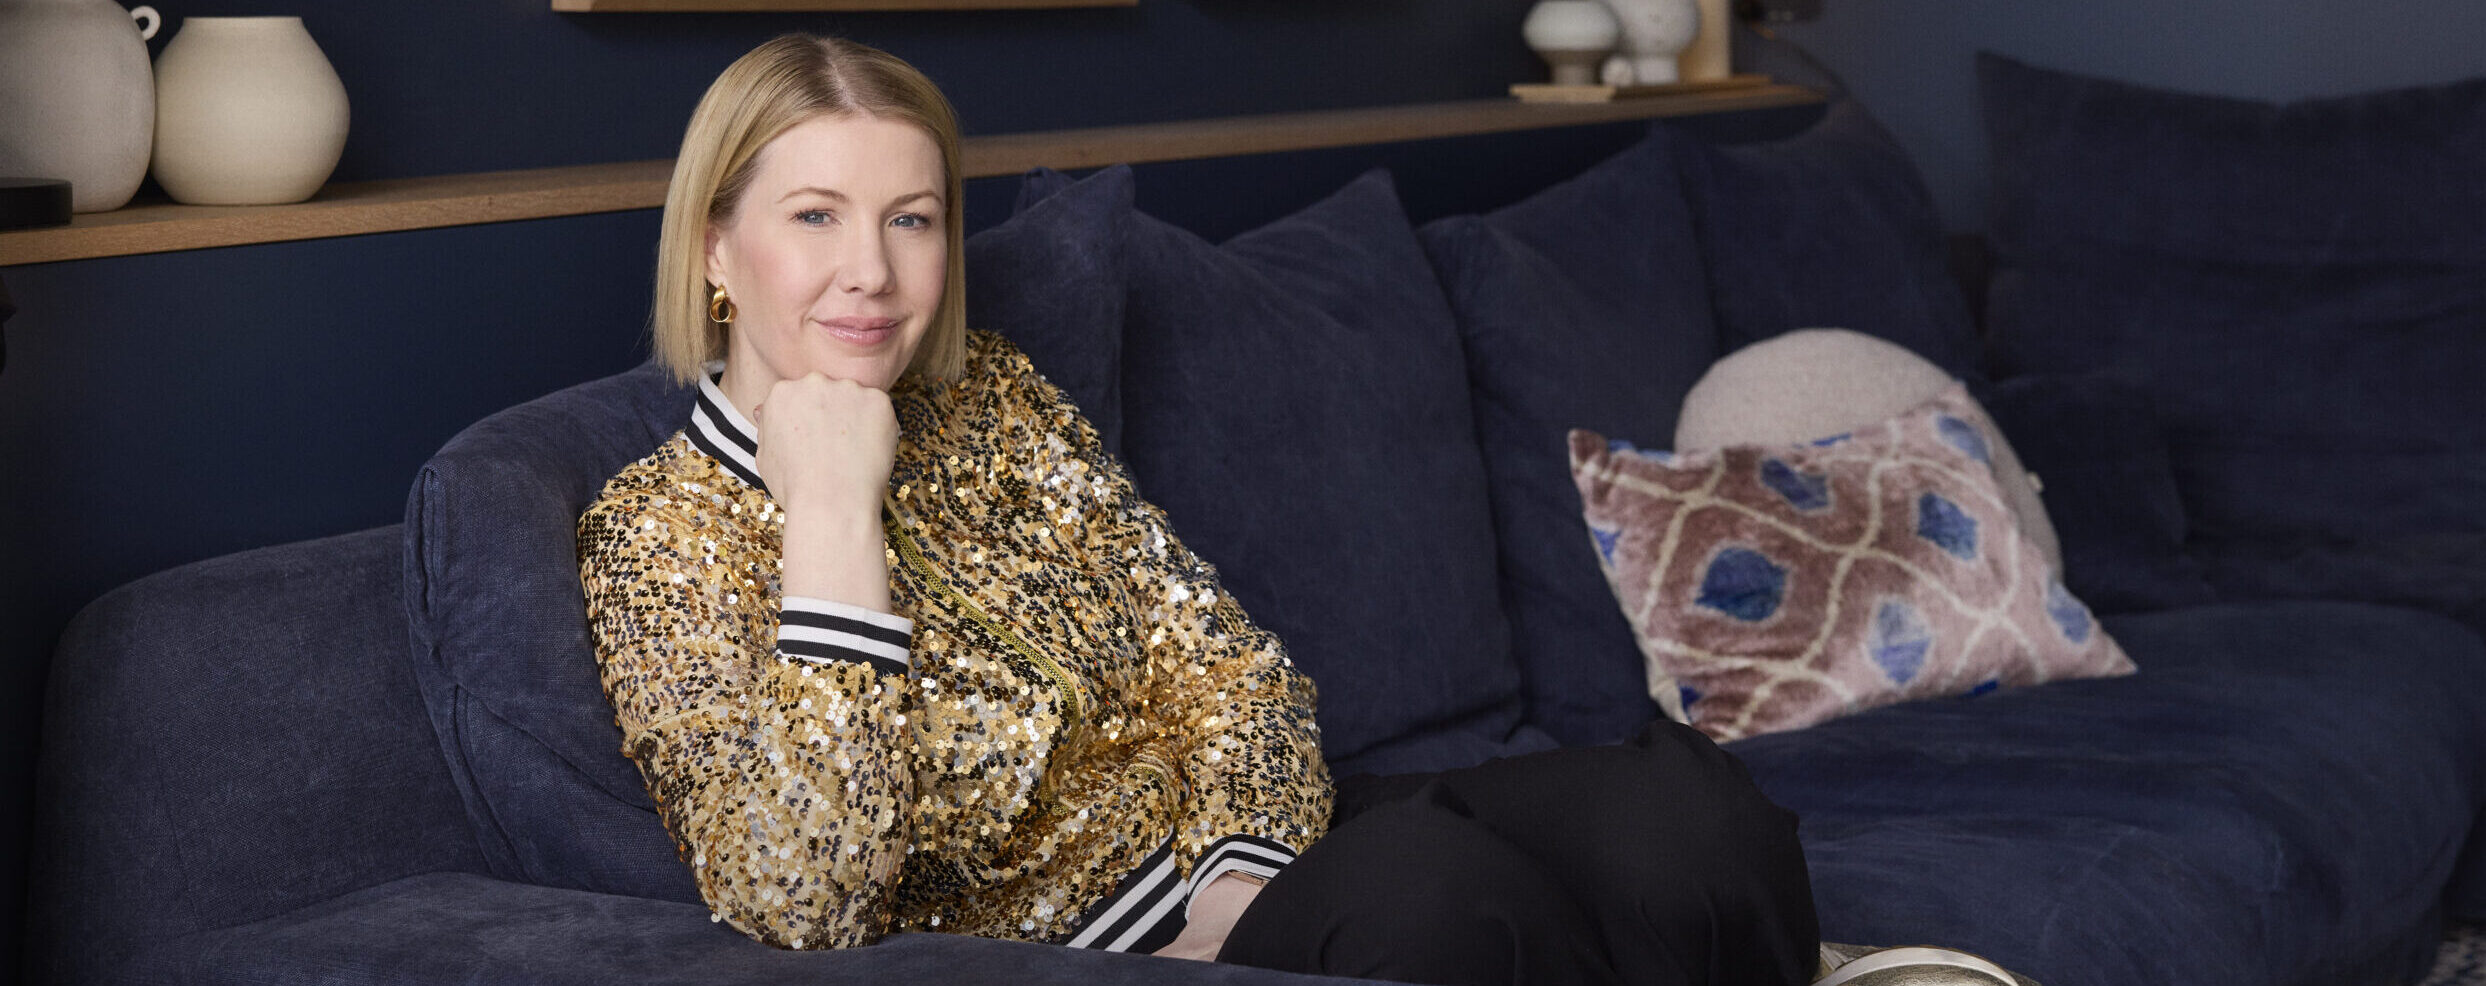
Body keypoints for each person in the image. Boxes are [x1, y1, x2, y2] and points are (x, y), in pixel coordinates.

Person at [577, 33, 1823, 985]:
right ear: (714, 251)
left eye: (913, 219)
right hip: (1075, 950)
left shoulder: (991, 402)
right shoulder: (653, 533)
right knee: (1442, 897)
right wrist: (834, 519)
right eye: (815, 217)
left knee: (1685, 813)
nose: (873, 271)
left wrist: (1239, 876)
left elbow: (1231, 672)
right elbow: (805, 902)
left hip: (1247, 875)